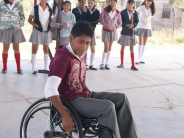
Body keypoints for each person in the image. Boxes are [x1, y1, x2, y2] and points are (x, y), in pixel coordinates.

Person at [44, 21, 138, 138]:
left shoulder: (80, 54)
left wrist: (84, 88)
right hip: (71, 101)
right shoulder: (61, 59)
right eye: (81, 42)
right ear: (71, 38)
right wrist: (65, 115)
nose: (84, 47)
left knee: (121, 99)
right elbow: (49, 90)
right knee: (107, 107)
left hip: (84, 95)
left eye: (88, 43)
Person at [0, 0, 26, 74]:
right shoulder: (1, 3)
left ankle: (19, 68)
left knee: (16, 48)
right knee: (5, 48)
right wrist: (1, 24)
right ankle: (4, 67)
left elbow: (22, 15)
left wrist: (20, 24)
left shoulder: (18, 4)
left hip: (16, 28)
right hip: (5, 28)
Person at [28, 0, 53, 74]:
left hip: (46, 31)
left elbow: (52, 20)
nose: (43, 0)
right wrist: (36, 25)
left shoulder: (49, 9)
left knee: (46, 49)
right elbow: (29, 20)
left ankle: (46, 67)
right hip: (37, 31)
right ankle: (33, 68)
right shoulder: (35, 8)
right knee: (35, 49)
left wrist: (50, 24)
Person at [99, 0, 122, 70]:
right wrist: (106, 24)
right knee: (106, 47)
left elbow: (120, 22)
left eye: (114, 1)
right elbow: (100, 20)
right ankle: (102, 63)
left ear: (116, 2)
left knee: (110, 47)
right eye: (111, 1)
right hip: (106, 30)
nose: (113, 2)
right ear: (110, 2)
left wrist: (116, 27)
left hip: (113, 31)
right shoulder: (105, 10)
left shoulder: (118, 12)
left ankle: (107, 63)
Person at [117, 0, 139, 71]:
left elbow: (137, 21)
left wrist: (133, 25)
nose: (130, 5)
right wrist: (126, 25)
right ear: (127, 4)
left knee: (132, 48)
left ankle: (133, 64)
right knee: (122, 47)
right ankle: (121, 63)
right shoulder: (122, 12)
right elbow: (120, 22)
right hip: (124, 32)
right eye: (129, 3)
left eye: (131, 4)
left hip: (131, 32)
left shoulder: (135, 12)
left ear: (133, 5)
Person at [135, 0, 155, 64]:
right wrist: (137, 21)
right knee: (140, 43)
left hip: (148, 27)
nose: (148, 2)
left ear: (151, 2)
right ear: (145, 1)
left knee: (144, 43)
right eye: (147, 0)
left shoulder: (152, 9)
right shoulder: (141, 8)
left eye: (150, 1)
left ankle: (141, 58)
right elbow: (135, 13)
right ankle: (138, 58)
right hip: (140, 26)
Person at [85, 0, 100, 70]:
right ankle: (86, 64)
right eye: (89, 3)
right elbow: (83, 19)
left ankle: (91, 64)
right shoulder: (85, 10)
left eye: (91, 3)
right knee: (85, 48)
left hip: (92, 32)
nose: (90, 4)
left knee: (93, 48)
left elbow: (96, 21)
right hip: (85, 32)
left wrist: (89, 22)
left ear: (94, 3)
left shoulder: (97, 11)